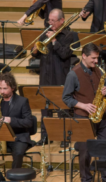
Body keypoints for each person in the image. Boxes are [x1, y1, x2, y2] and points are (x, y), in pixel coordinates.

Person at [62, 43, 106, 182]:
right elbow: (66, 98)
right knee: (85, 151)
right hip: (84, 117)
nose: (96, 61)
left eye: (97, 58)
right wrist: (82, 105)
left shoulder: (99, 70)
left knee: (105, 146)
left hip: (101, 116)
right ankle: (86, 180)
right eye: (93, 58)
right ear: (84, 56)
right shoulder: (73, 74)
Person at [31, 8, 74, 146]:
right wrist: (35, 49)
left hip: (60, 76)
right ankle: (45, 136)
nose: (50, 23)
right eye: (49, 20)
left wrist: (54, 40)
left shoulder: (69, 35)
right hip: (45, 75)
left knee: (62, 108)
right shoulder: (45, 33)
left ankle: (64, 138)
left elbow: (65, 54)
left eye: (53, 21)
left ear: (62, 21)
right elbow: (36, 54)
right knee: (45, 108)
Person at [0, 72, 34, 181]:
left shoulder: (22, 101)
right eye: (0, 89)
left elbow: (29, 122)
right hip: (1, 137)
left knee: (18, 153)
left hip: (18, 137)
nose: (2, 92)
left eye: (5, 88)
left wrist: (11, 120)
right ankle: (0, 179)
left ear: (13, 87)